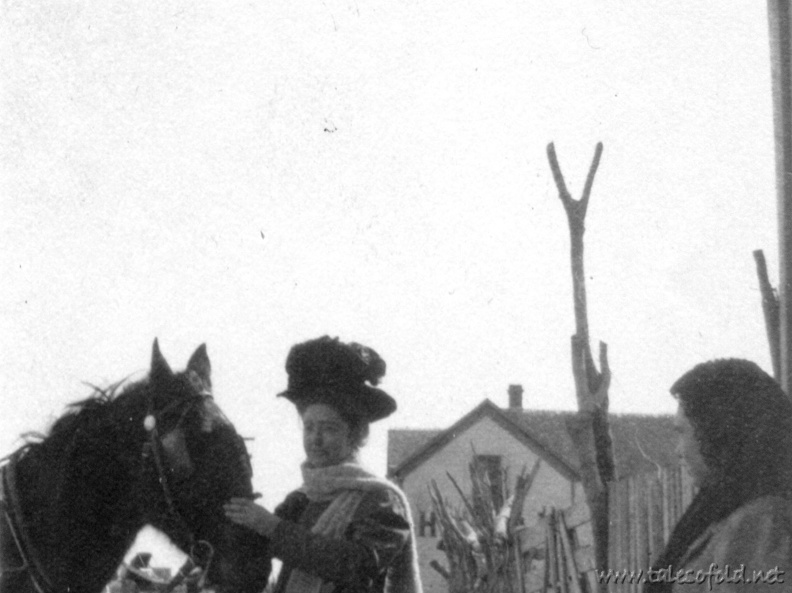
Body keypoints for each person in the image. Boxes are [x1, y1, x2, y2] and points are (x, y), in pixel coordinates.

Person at [224, 336, 422, 593]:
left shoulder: (381, 500)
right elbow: (252, 550)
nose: (315, 440)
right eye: (309, 428)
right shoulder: (300, 500)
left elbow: (358, 565)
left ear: (356, 434)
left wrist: (272, 528)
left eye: (329, 428)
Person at [645, 359, 792, 593]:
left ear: (717, 433)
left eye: (682, 432)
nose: (678, 450)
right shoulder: (719, 513)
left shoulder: (761, 525)